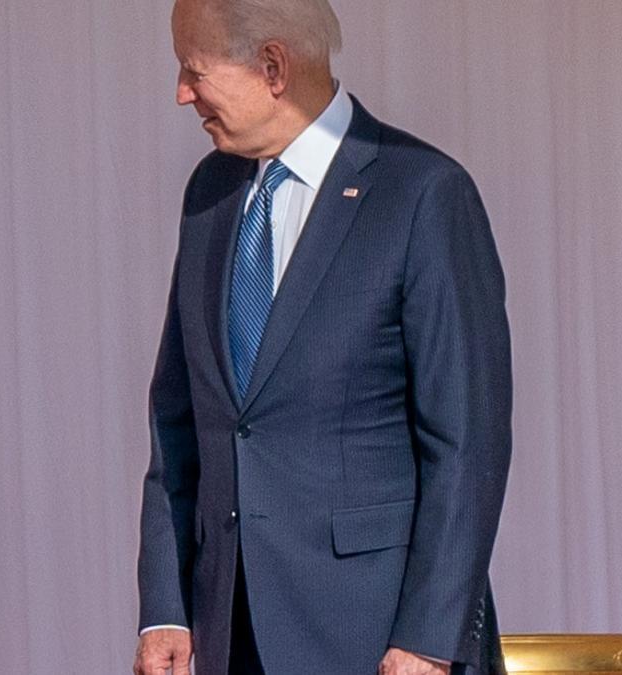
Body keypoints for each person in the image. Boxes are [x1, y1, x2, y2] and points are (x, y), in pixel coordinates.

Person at [133, 1, 512, 673]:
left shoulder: (422, 195)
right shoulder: (210, 194)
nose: (181, 94)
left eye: (193, 70)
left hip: (375, 641)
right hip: (231, 637)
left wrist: (429, 636)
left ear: (273, 67)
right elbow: (180, 420)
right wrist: (166, 604)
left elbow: (466, 442)